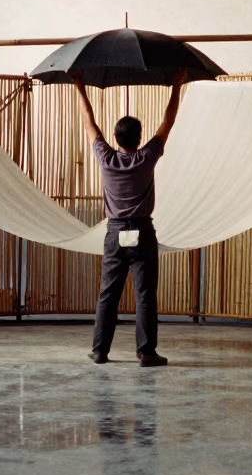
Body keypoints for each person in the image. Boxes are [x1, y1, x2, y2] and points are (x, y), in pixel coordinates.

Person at [73, 72, 186, 367]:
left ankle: (100, 351)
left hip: (114, 234)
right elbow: (169, 121)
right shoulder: (146, 157)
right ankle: (146, 353)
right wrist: (176, 85)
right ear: (139, 137)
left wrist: (80, 86)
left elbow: (89, 122)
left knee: (108, 294)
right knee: (145, 294)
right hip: (142, 232)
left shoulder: (105, 158)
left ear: (115, 138)